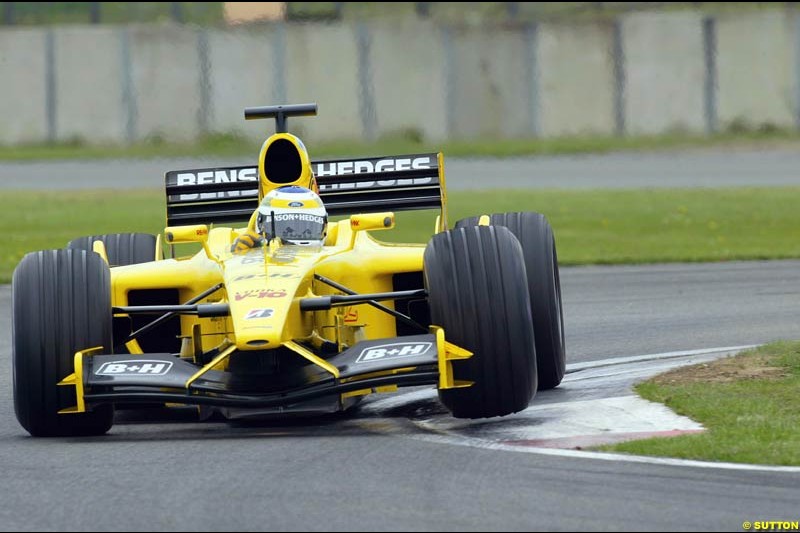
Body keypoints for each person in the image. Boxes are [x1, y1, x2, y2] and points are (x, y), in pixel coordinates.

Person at [231, 185, 328, 252]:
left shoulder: (337, 241)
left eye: (305, 228)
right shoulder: (245, 243)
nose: (294, 236)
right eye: (282, 227)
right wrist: (236, 256)